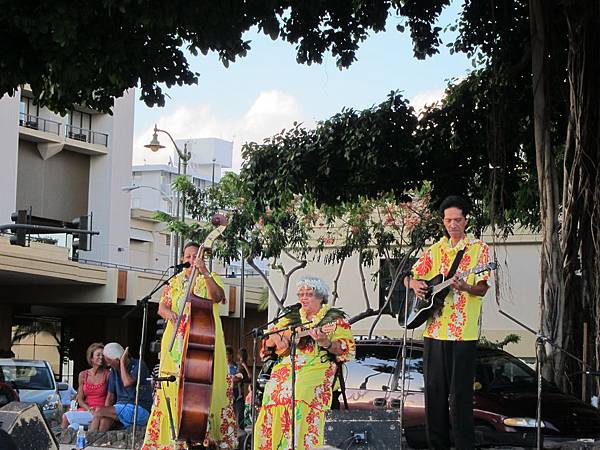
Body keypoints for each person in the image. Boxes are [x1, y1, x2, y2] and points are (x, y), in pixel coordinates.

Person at [406, 195, 490, 450]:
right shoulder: (435, 250)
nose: (452, 224)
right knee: (434, 394)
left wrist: (464, 286)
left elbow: (483, 288)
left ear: (466, 220)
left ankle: (465, 446)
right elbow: (410, 278)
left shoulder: (478, 249)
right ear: (443, 221)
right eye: (448, 220)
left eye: (457, 220)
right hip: (434, 330)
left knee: (461, 396)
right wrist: (415, 284)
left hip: (463, 332)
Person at [141, 241, 237, 449]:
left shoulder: (209, 279)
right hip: (176, 340)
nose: (191, 260)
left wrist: (203, 271)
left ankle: (205, 437)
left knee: (207, 387)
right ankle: (171, 439)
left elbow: (218, 297)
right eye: (188, 257)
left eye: (195, 256)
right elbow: (162, 307)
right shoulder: (174, 282)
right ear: (182, 260)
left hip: (203, 340)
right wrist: (170, 314)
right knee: (172, 386)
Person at [254, 276, 355, 450]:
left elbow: (346, 349)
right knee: (272, 391)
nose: (303, 298)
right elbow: (269, 338)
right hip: (289, 364)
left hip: (318, 364)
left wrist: (326, 343)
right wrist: (280, 340)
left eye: (309, 294)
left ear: (321, 297)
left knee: (300, 389)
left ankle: (301, 445)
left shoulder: (334, 320)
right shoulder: (292, 317)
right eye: (301, 294)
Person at [89, 342, 153, 432]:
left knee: (99, 410)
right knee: (104, 420)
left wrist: (122, 363)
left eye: (109, 361)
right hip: (120, 408)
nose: (107, 365)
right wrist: (105, 412)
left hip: (139, 409)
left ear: (117, 359)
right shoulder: (113, 371)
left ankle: (88, 439)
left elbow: (127, 382)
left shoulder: (139, 365)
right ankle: (98, 443)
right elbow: (110, 397)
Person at [62, 343, 109, 430]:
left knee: (67, 418)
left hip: (100, 411)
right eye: (98, 355)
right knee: (72, 426)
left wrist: (102, 411)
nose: (101, 357)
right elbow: (80, 399)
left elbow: (111, 397)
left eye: (103, 355)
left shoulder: (108, 374)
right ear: (91, 358)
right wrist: (89, 409)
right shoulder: (83, 375)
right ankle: (61, 441)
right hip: (86, 410)